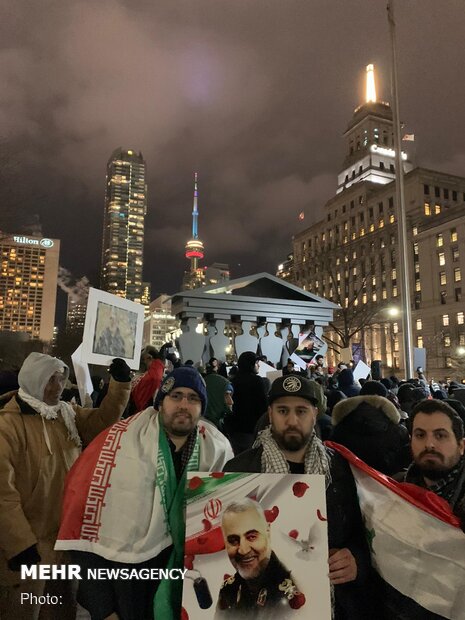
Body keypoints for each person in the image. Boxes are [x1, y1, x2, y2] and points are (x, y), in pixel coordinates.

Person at [56, 367, 234, 620]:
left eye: (193, 398)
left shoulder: (218, 449)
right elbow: (85, 528)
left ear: (202, 407)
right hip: (129, 581)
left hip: (192, 579)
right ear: (160, 402)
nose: (184, 404)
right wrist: (103, 607)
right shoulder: (117, 445)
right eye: (176, 395)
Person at [224, 375, 374, 619]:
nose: (292, 420)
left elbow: (363, 534)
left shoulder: (341, 470)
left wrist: (357, 560)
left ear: (314, 414)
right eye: (283, 410)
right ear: (270, 414)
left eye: (301, 411)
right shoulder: (239, 473)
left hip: (333, 605)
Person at [0, 352, 131, 620]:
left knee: (61, 611)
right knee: (24, 611)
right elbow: (4, 494)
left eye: (61, 379)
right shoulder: (8, 426)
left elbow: (102, 423)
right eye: (50, 380)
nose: (58, 386)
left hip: (65, 542)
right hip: (30, 549)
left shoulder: (66, 414)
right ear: (33, 381)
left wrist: (120, 384)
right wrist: (19, 545)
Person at [217, 498, 303, 616]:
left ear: (268, 533)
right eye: (233, 540)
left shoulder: (290, 596)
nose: (243, 550)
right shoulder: (228, 591)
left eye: (252, 536)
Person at [397, 399, 465, 531]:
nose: (429, 444)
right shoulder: (395, 489)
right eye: (420, 435)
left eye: (440, 435)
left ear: (461, 446)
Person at [331, 380, 410, 476]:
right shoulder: (398, 429)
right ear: (383, 399)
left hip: (347, 486)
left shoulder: (339, 426)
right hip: (387, 486)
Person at [228, 352, 268, 455]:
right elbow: (262, 406)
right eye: (257, 362)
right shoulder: (257, 381)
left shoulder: (233, 381)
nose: (258, 365)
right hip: (251, 429)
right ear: (251, 364)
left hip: (235, 429)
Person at [130, 346, 165, 412]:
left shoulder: (151, 376)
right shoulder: (145, 374)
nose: (143, 362)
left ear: (150, 358)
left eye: (143, 359)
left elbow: (154, 378)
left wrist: (158, 363)